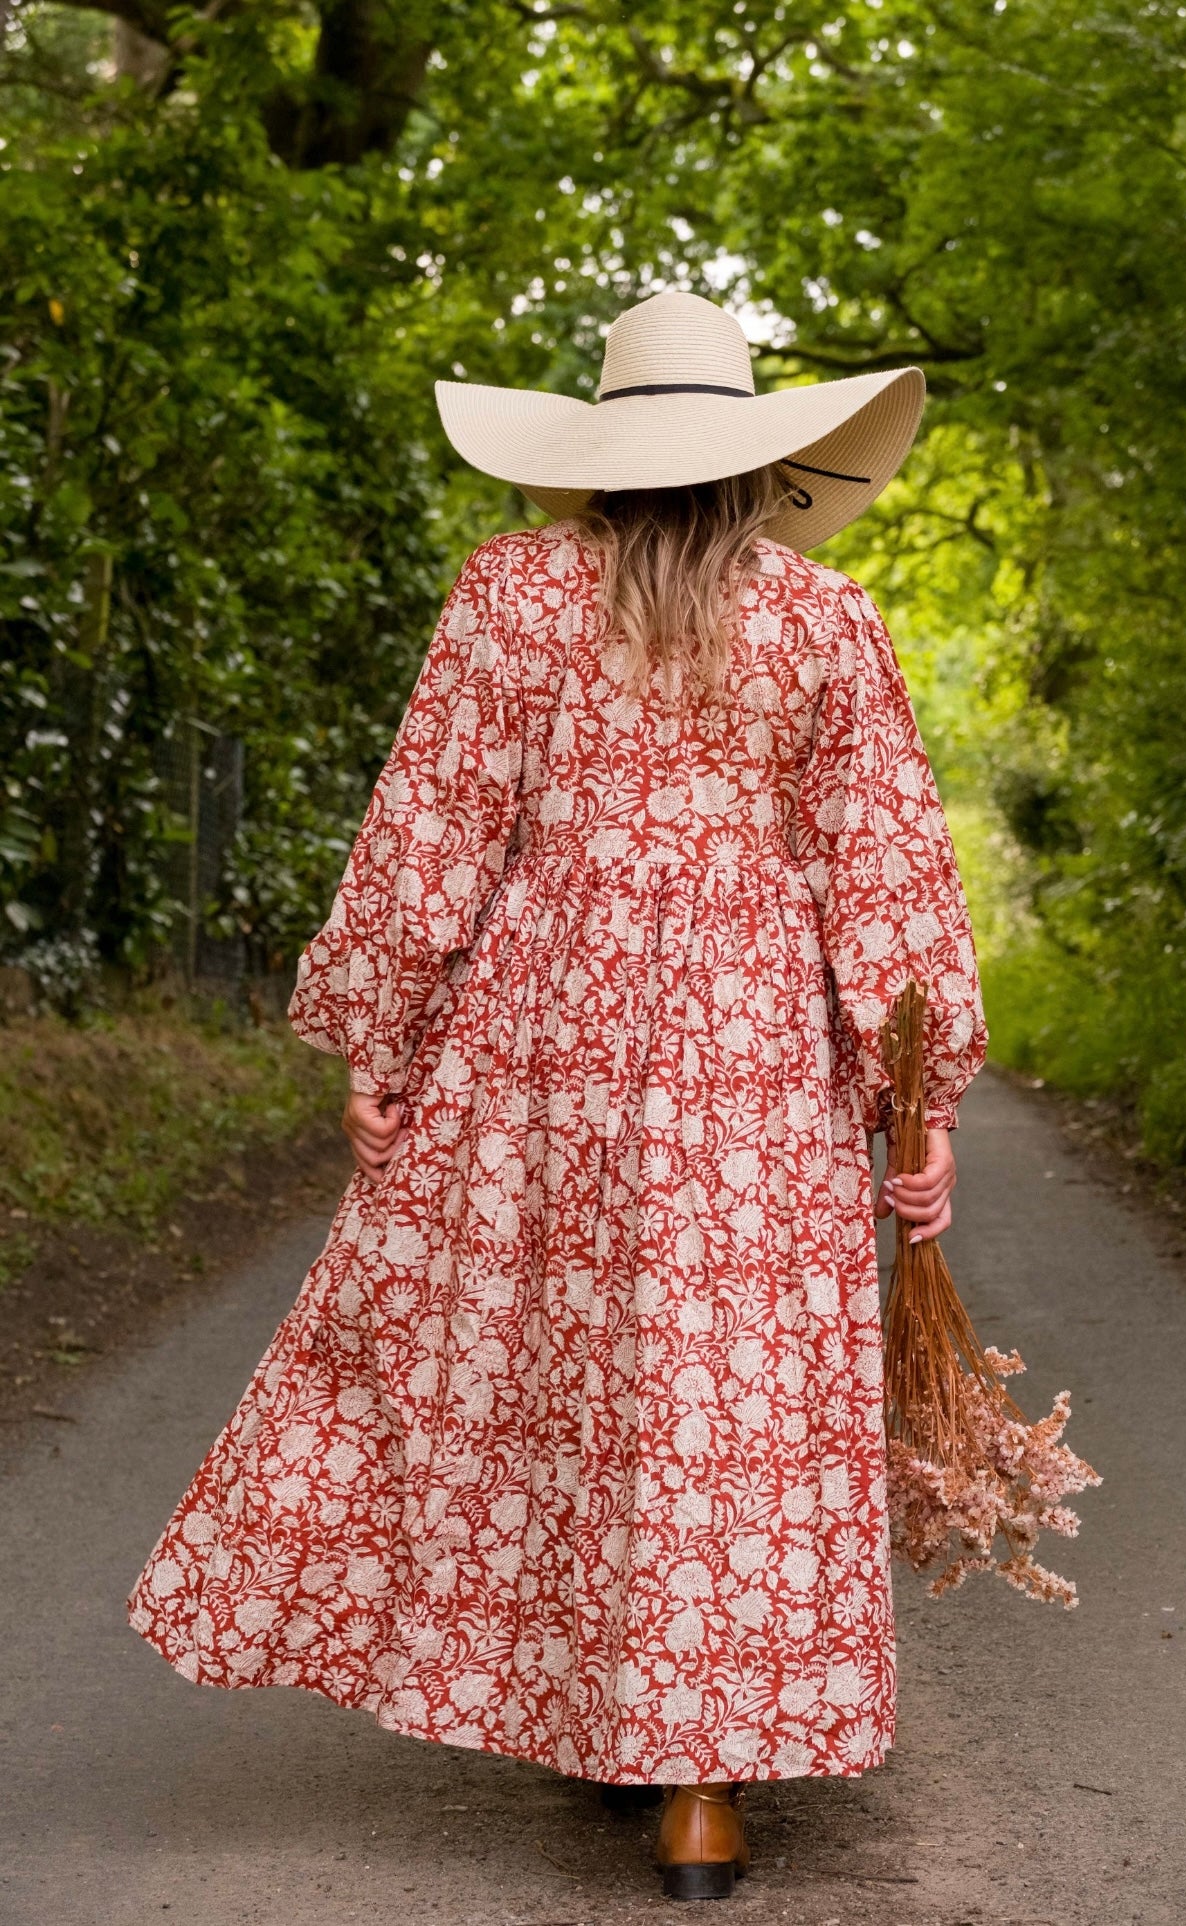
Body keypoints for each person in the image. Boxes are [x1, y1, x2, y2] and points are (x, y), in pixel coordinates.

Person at [128, 291, 986, 1901]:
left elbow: (429, 837)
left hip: (547, 1039)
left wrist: (379, 1047)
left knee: (569, 1368)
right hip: (753, 1051)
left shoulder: (512, 597)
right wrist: (916, 1108)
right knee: (727, 1388)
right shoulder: (823, 619)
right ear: (752, 462)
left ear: (599, 454)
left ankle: (608, 1709)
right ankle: (704, 1785)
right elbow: (890, 888)